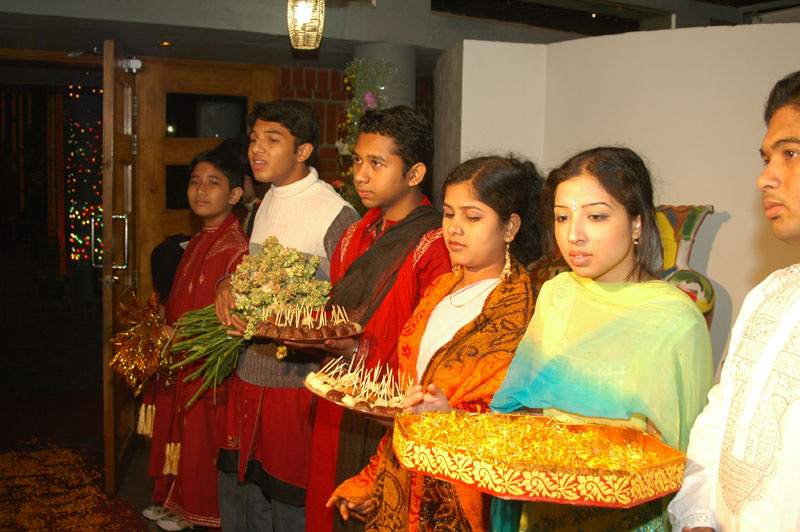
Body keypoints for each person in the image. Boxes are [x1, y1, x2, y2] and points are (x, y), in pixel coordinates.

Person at [490, 147, 714, 531]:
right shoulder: (558, 295)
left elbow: (688, 456)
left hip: (629, 519)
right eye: (562, 217)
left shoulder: (675, 318)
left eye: (595, 216)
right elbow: (526, 412)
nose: (573, 235)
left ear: (637, 223)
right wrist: (449, 416)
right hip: (543, 509)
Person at [327, 155, 546, 531]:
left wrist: (451, 418)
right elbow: (410, 398)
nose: (454, 228)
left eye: (472, 217)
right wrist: (372, 482)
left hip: (465, 493)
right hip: (407, 476)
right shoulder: (440, 289)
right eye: (448, 214)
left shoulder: (521, 310)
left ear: (510, 227)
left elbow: (523, 424)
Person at [214, 99, 359, 531]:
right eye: (254, 138)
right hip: (249, 372)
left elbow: (349, 309)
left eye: (272, 139)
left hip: (295, 384)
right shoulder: (263, 204)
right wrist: (228, 282)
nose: (257, 149)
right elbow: (252, 269)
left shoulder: (336, 214)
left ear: (303, 151)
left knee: (289, 500)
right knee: (245, 494)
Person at [303, 106, 451, 532]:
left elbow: (433, 347)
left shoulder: (434, 243)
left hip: (390, 406)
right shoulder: (356, 234)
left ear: (415, 173)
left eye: (377, 163)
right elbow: (336, 312)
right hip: (339, 393)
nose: (361, 175)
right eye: (357, 161)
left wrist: (359, 348)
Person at [667, 71, 800, 532]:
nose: (764, 177)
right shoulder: (769, 293)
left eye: (791, 153)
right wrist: (698, 516)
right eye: (767, 158)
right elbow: (719, 411)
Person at [143, 147, 250, 531]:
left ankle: (198, 513)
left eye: (213, 183)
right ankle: (175, 501)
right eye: (194, 182)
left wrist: (183, 336)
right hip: (182, 356)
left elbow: (230, 319)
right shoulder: (202, 237)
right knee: (182, 433)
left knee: (202, 440)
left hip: (207, 364)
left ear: (235, 194)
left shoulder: (235, 246)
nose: (200, 190)